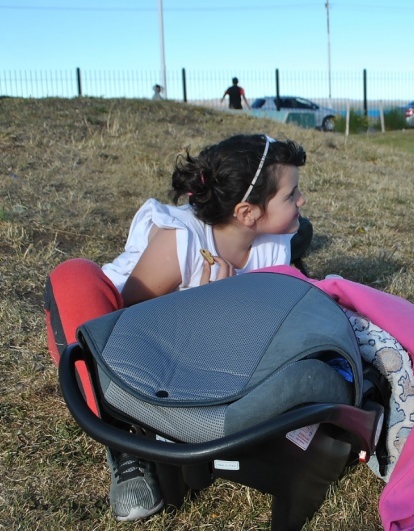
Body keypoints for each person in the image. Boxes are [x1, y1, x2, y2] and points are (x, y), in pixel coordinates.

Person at [43, 133, 308, 521]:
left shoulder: (273, 242)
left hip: (192, 354)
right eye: (292, 195)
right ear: (248, 212)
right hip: (125, 328)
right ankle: (122, 442)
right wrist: (193, 308)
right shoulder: (179, 242)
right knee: (73, 279)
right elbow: (127, 317)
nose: (301, 199)